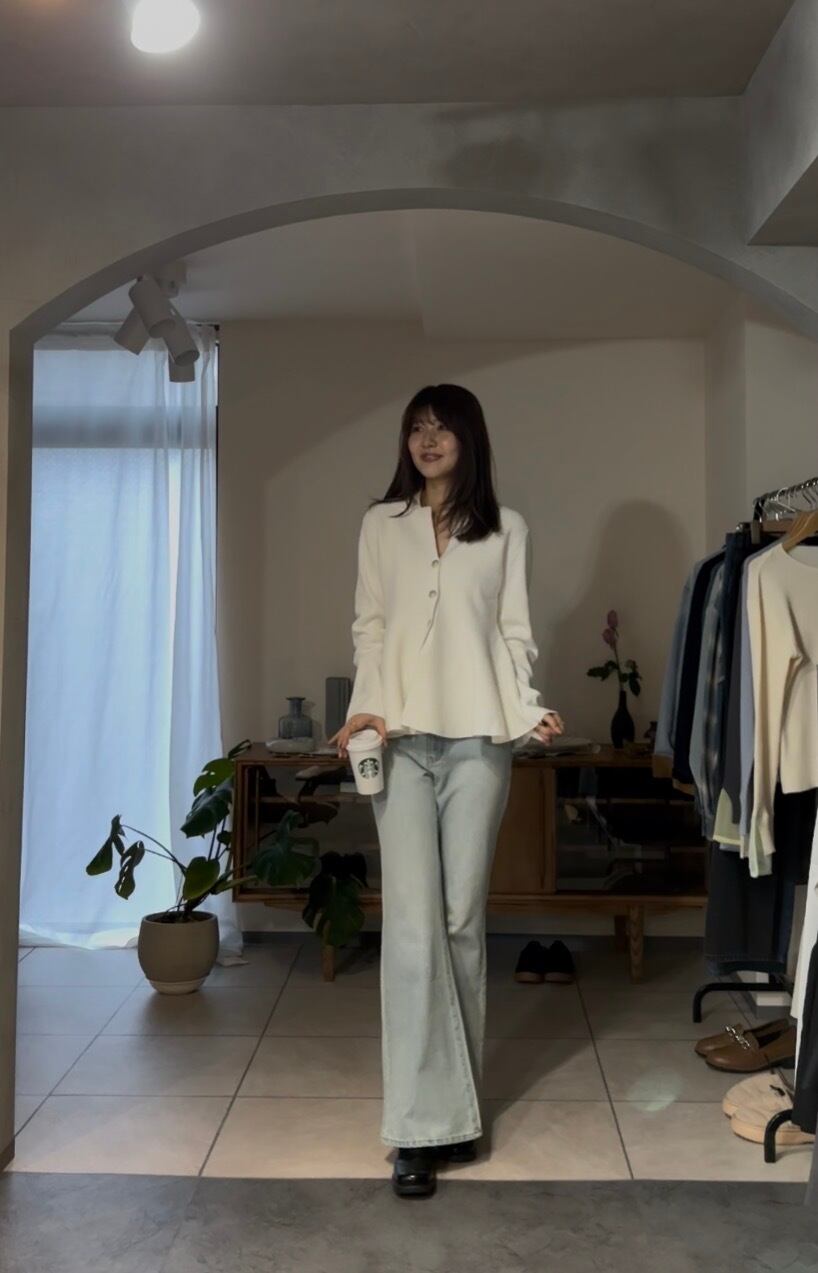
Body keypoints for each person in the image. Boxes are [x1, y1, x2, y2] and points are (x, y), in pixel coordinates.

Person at [329, 383, 564, 1198]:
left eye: (442, 428)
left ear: (469, 438)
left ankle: (454, 1114)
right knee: (412, 927)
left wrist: (526, 709)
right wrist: (365, 704)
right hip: (397, 740)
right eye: (416, 429)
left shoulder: (506, 529)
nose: (427, 440)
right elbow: (370, 626)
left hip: (478, 742)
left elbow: (513, 634)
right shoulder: (380, 525)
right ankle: (416, 1129)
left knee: (462, 922)